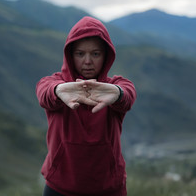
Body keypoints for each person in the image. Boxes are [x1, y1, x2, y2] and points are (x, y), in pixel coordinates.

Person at [36, 16, 136, 196]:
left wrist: (118, 94)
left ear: (106, 55)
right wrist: (58, 90)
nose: (88, 61)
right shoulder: (56, 84)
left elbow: (128, 94)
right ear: (70, 55)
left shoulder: (113, 87)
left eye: (95, 54)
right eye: (80, 54)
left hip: (108, 188)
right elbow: (44, 93)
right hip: (59, 188)